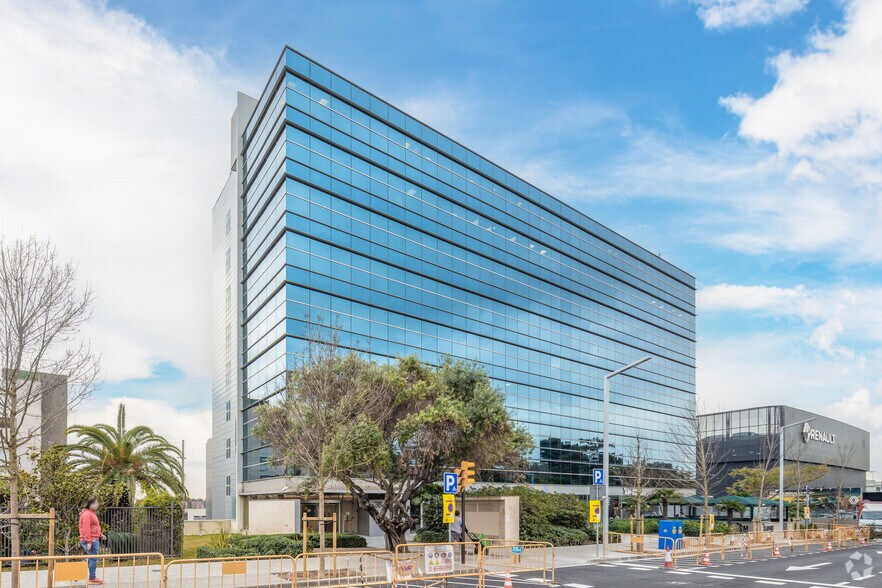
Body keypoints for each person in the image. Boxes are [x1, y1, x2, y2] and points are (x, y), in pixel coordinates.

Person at [79, 497, 106, 585]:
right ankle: (92, 578)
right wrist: (89, 541)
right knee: (93, 559)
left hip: (93, 539)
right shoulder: (87, 514)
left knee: (91, 558)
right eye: (95, 503)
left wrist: (100, 534)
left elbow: (94, 527)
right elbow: (86, 528)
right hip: (91, 540)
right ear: (90, 504)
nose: (97, 505)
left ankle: (77, 573)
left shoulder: (91, 513)